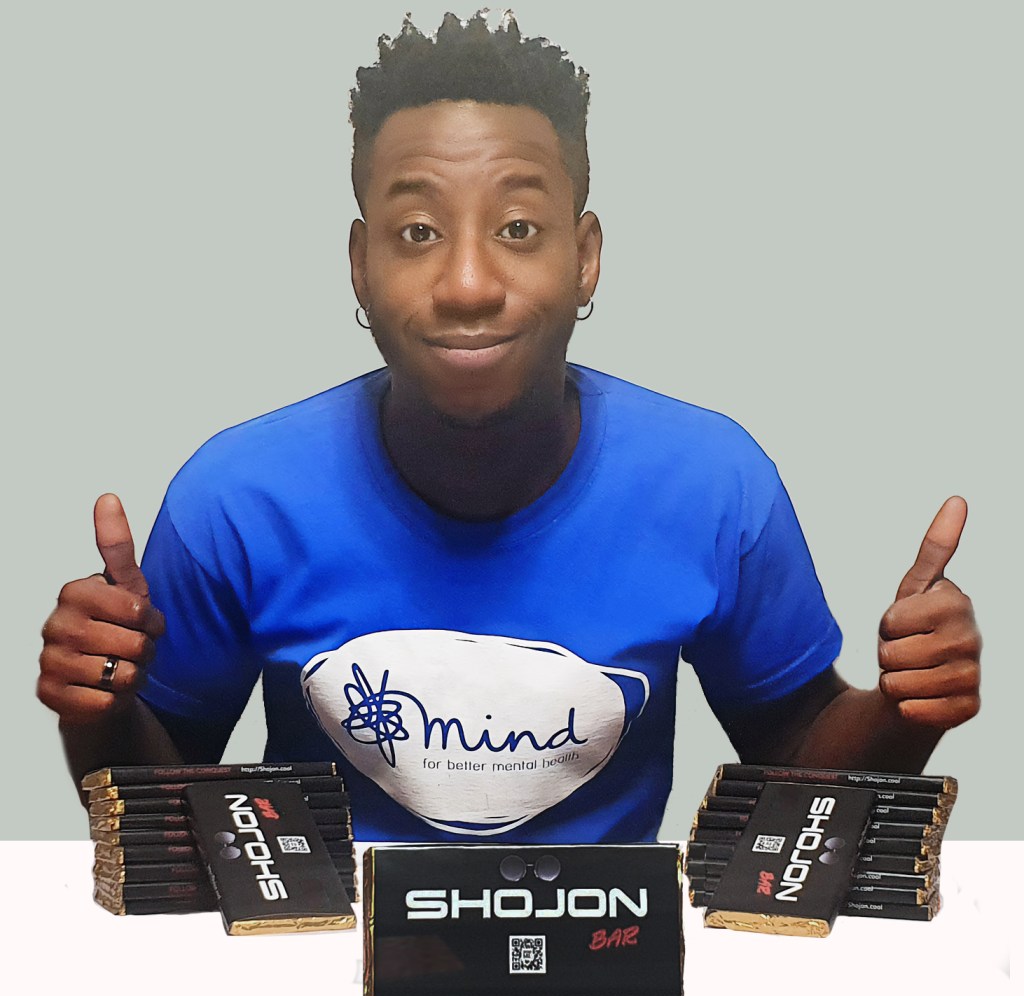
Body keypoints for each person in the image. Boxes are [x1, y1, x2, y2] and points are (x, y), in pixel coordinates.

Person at [37, 12, 980, 842]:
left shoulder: (709, 482)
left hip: (608, 954)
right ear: (360, 264)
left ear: (586, 257)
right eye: (417, 232)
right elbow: (162, 813)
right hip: (325, 954)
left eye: (519, 228)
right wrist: (99, 706)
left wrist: (904, 708)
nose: (468, 284)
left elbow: (795, 771)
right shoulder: (239, 497)